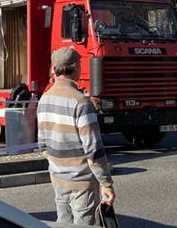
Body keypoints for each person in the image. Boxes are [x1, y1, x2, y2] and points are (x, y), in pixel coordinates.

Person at [37, 47, 114, 225]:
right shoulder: (80, 102)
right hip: (82, 181)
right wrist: (106, 183)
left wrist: (58, 166)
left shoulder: (44, 100)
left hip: (57, 178)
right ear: (75, 67)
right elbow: (94, 150)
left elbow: (42, 145)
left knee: (63, 223)